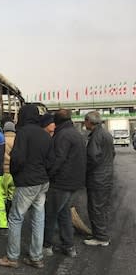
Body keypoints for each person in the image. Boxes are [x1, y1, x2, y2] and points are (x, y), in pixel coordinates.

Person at [0, 104, 52, 269]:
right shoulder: (45, 134)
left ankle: (12, 258)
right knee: (38, 218)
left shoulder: (23, 133)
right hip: (43, 183)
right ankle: (36, 257)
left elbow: (17, 159)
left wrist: (15, 175)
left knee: (15, 217)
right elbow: (51, 160)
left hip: (27, 182)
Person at [43, 109, 86, 258]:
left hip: (61, 182)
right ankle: (69, 246)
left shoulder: (62, 135)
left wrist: (50, 174)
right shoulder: (76, 133)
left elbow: (59, 159)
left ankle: (46, 245)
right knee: (64, 213)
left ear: (57, 121)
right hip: (75, 182)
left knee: (51, 214)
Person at [83, 111, 115, 246]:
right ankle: (100, 232)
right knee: (103, 207)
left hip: (97, 178)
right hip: (106, 175)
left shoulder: (96, 136)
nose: (85, 124)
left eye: (85, 121)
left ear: (89, 121)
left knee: (95, 207)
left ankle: (101, 238)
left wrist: (85, 171)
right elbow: (112, 153)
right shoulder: (106, 134)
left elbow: (92, 158)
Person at [2, 121, 16, 214]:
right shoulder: (18, 139)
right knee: (12, 193)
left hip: (3, 171)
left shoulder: (1, 139)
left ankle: (3, 213)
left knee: (2, 193)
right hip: (14, 171)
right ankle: (11, 212)